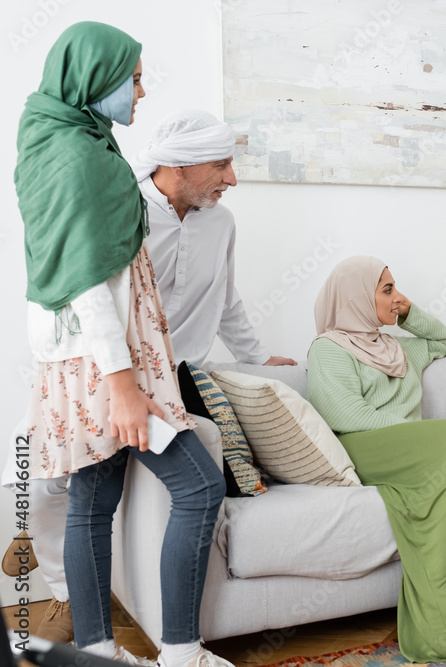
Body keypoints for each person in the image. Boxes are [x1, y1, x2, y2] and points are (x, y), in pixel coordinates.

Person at [14, 22, 230, 667]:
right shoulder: (77, 156)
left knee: (92, 501)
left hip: (90, 361)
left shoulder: (67, 140)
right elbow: (83, 280)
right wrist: (123, 384)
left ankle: (99, 653)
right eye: (132, 78)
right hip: (104, 367)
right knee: (198, 486)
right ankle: (182, 653)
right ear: (95, 77)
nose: (140, 92)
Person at [306, 256, 446, 662]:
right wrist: (424, 433)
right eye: (387, 289)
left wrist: (407, 314)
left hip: (414, 449)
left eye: (396, 289)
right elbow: (344, 416)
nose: (398, 297)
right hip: (365, 447)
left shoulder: (397, 348)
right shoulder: (328, 348)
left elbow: (445, 342)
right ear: (355, 297)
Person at [133, 109, 296, 368]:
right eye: (220, 165)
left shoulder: (221, 222)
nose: (231, 179)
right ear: (179, 165)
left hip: (185, 374)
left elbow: (223, 297)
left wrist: (258, 359)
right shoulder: (123, 213)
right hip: (120, 375)